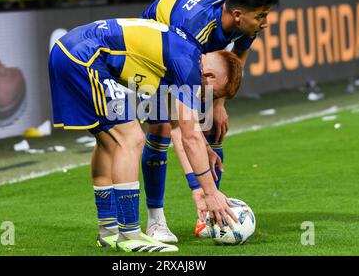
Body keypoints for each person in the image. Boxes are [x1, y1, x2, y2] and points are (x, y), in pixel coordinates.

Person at [48, 18, 243, 252]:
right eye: (211, 95)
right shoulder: (190, 67)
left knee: (108, 141)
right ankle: (130, 234)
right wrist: (211, 193)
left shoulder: (188, 54)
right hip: (85, 57)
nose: (205, 100)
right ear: (210, 76)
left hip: (68, 50)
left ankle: (108, 230)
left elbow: (180, 122)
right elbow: (189, 136)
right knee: (131, 138)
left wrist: (207, 148)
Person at [140, 0, 280, 242]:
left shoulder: (244, 21)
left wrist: (219, 103)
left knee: (213, 125)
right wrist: (200, 190)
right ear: (238, 15)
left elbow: (235, 60)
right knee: (161, 129)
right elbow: (184, 130)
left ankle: (206, 218)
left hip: (190, 42)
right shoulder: (193, 30)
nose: (265, 23)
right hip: (157, 43)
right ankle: (156, 221)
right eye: (261, 16)